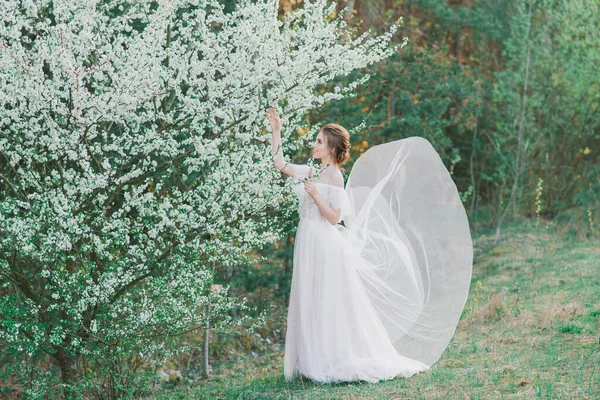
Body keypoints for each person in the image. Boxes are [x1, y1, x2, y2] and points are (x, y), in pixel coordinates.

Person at [266, 106, 473, 384]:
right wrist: (276, 130)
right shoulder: (310, 171)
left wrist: (316, 196)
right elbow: (279, 164)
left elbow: (334, 219)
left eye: (319, 142)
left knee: (325, 298)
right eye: (315, 140)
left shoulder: (334, 177)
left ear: (331, 148)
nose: (314, 145)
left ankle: (330, 358)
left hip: (324, 243)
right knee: (308, 295)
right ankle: (309, 358)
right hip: (306, 242)